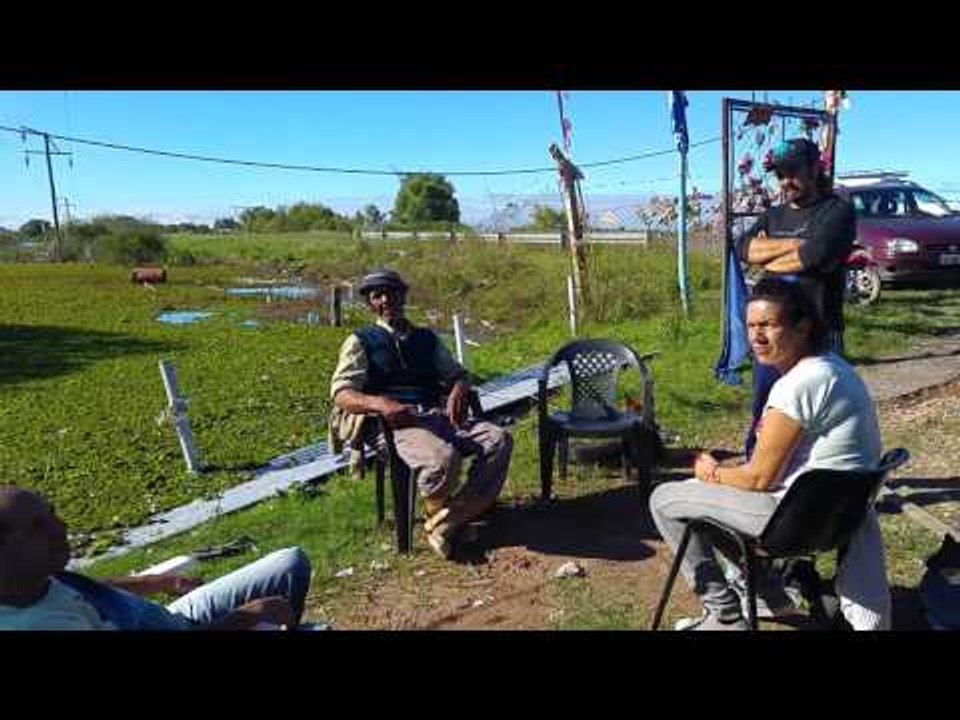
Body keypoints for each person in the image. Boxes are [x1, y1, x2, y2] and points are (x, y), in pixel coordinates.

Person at [649, 278, 891, 631]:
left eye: (768, 325)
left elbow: (760, 479)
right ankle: (766, 596)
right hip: (838, 514)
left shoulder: (800, 383)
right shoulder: (835, 368)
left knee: (665, 498)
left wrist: (710, 473)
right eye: (751, 326)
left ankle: (725, 614)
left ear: (803, 326)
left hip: (796, 521)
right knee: (701, 502)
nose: (756, 337)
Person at [329, 269, 513, 559]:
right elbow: (342, 393)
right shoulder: (360, 340)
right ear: (370, 303)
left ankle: (447, 521)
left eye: (393, 292)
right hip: (395, 423)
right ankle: (451, 518)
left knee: (498, 439)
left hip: (435, 413)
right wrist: (381, 404)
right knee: (442, 459)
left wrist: (459, 388)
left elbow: (457, 373)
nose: (387, 299)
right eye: (378, 295)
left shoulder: (426, 338)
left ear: (404, 296)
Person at [0, 486, 312, 630]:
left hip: (173, 619)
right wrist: (247, 616)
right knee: (278, 597)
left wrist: (161, 581)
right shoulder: (44, 624)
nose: (61, 527)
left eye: (52, 514)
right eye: (37, 528)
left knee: (289, 563)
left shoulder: (38, 579)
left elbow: (92, 587)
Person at [738, 136, 856, 456]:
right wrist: (796, 245)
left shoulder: (838, 212)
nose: (785, 181)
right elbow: (743, 248)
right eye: (779, 174)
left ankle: (818, 474)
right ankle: (757, 465)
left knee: (822, 408)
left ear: (816, 168)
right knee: (767, 405)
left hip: (818, 330)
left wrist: (770, 255)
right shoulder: (773, 215)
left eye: (793, 172)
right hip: (773, 331)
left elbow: (815, 256)